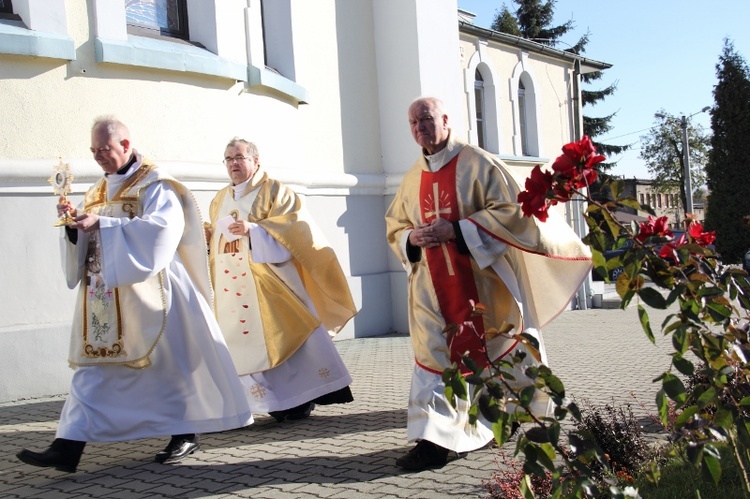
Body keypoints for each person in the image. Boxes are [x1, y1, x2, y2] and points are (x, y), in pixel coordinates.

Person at [16, 117, 253, 473]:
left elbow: (161, 232)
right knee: (91, 370)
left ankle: (185, 433)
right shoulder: (97, 190)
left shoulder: (156, 184)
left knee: (170, 366)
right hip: (105, 299)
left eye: (105, 150)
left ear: (126, 145)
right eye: (93, 151)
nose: (98, 157)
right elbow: (88, 235)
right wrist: (74, 227)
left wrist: (103, 225)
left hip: (156, 293)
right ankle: (67, 446)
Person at [385, 97, 592, 471]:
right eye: (414, 123)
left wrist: (458, 229)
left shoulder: (478, 163)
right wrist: (411, 239)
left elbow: (511, 212)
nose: (420, 128)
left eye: (427, 119)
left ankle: (506, 416)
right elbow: (395, 225)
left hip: (482, 286)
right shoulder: (412, 176)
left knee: (500, 352)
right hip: (430, 290)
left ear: (446, 120)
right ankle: (433, 443)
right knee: (435, 360)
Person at [207, 138, 356, 422]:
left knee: (287, 337)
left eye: (239, 157)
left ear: (255, 160)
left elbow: (296, 229)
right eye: (228, 159)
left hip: (271, 284)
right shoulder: (219, 199)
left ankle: (301, 399)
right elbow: (218, 235)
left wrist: (254, 230)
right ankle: (268, 403)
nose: (233, 164)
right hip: (233, 287)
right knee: (242, 346)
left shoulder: (275, 191)